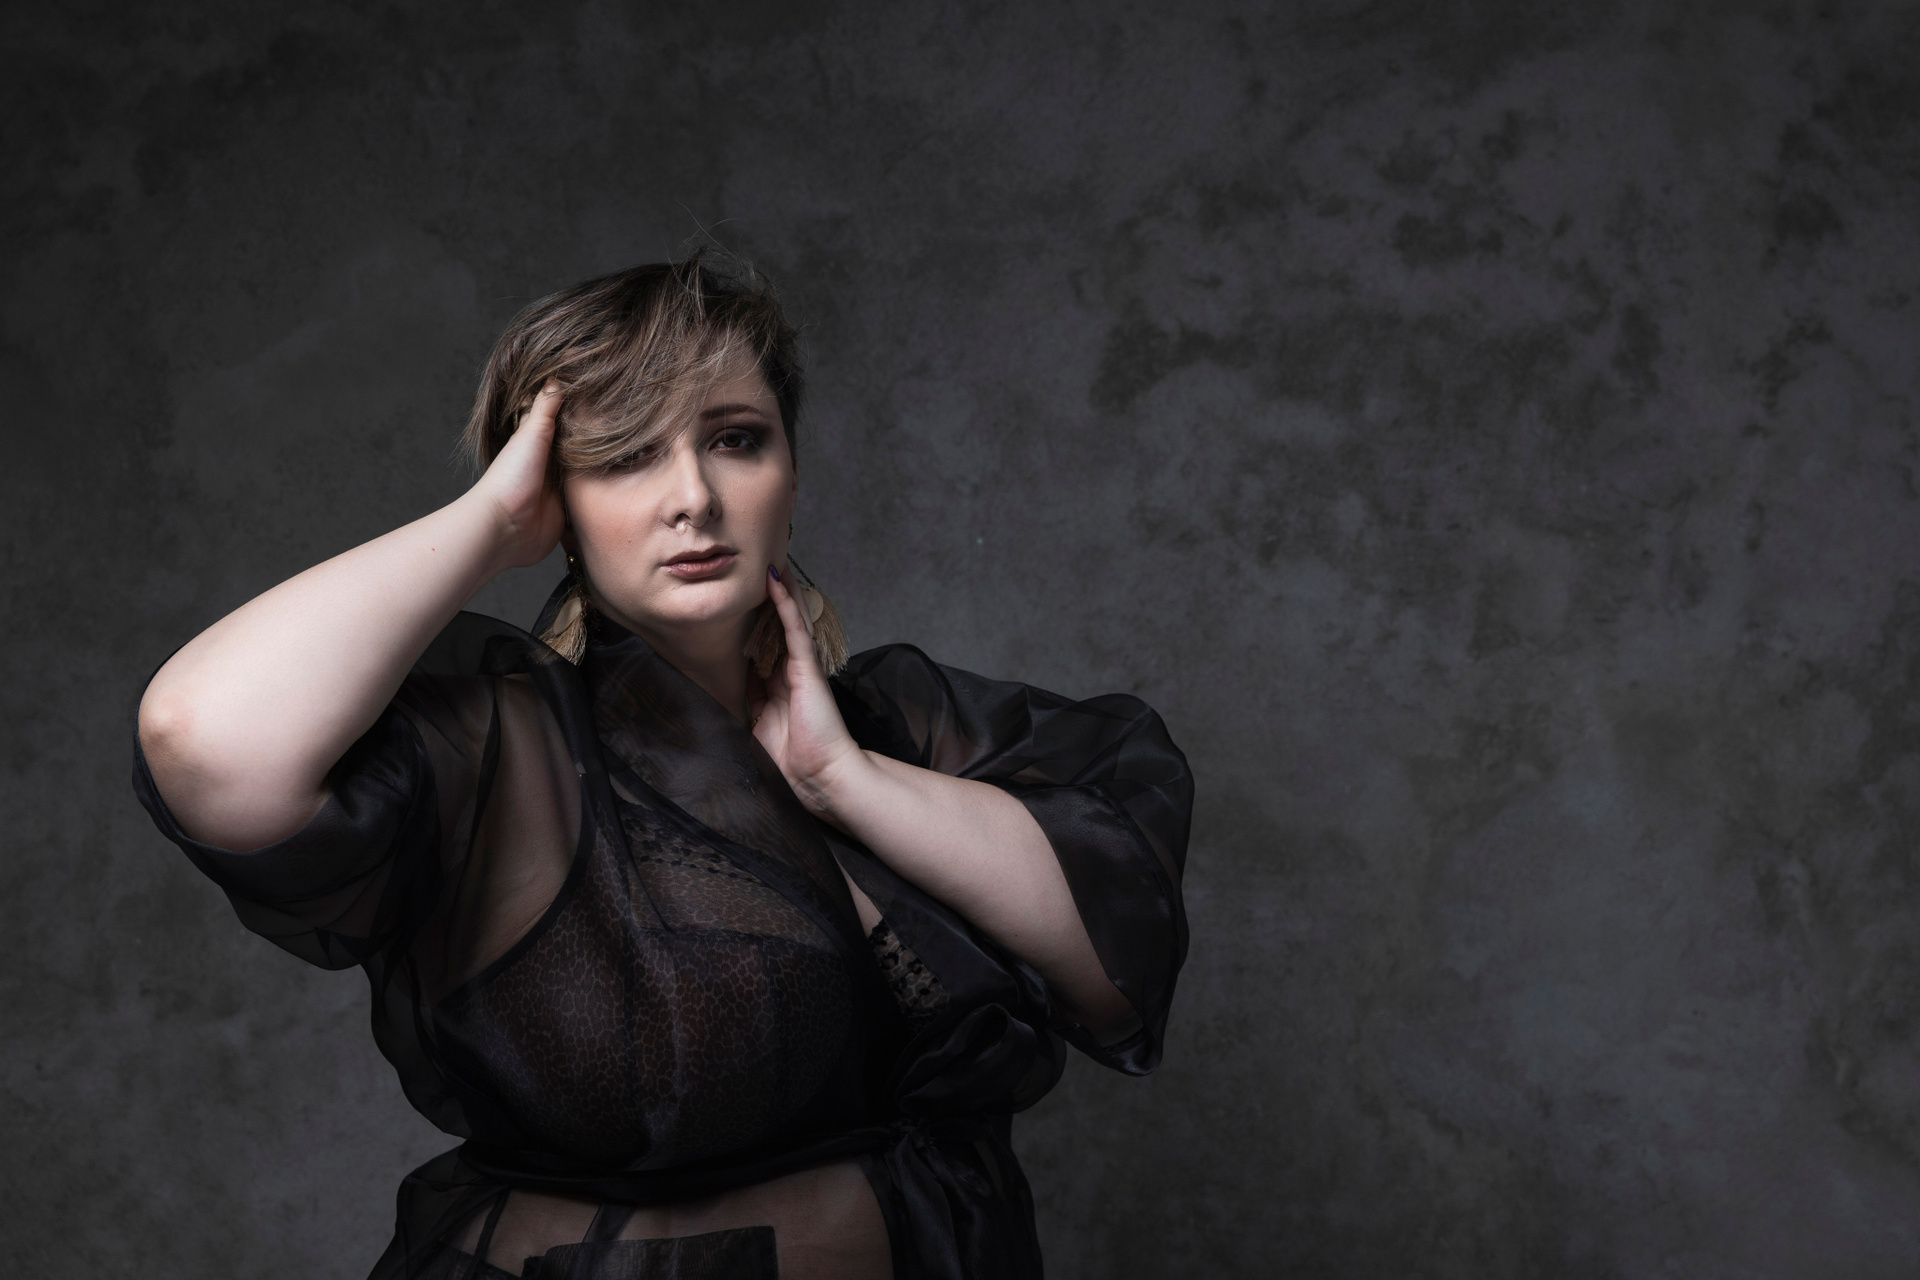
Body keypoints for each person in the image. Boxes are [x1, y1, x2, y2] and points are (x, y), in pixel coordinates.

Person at [133, 256, 1192, 1280]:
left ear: (790, 473)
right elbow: (198, 737)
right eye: (626, 455)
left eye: (736, 440)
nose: (693, 494)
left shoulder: (908, 725)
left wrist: (847, 782)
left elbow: (1104, 968)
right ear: (551, 497)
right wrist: (488, 525)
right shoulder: (506, 755)